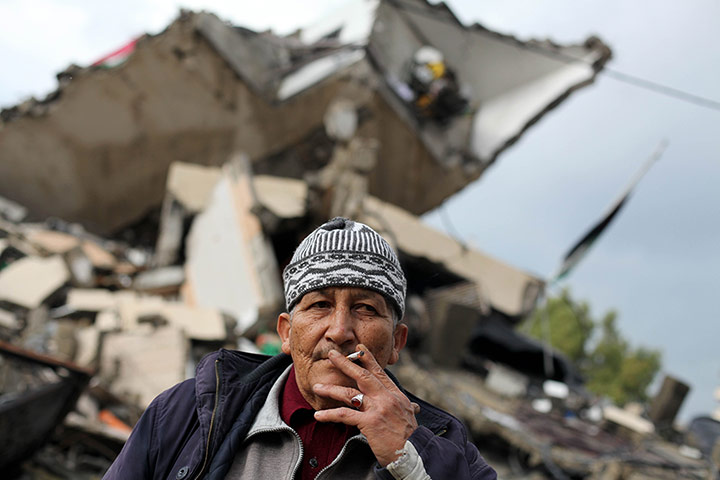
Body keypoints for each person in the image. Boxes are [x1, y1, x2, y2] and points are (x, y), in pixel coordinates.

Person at [103, 217, 497, 480]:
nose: (340, 330)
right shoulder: (185, 413)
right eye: (320, 305)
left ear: (396, 342)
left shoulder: (446, 446)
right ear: (287, 333)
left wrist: (409, 457)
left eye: (365, 308)